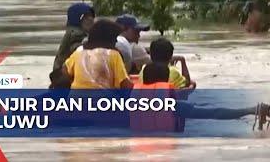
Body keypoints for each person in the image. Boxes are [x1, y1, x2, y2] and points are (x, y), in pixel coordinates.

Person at [142, 62, 270, 131]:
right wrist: (251, 110)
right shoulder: (174, 106)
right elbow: (215, 113)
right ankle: (254, 109)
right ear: (166, 82)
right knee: (204, 109)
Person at [62, 19, 133, 89]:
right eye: (114, 37)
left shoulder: (78, 53)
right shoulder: (113, 55)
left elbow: (64, 71)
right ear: (108, 38)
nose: (116, 40)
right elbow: (125, 84)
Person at [49, 3, 95, 88]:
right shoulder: (75, 33)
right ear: (77, 19)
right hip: (64, 80)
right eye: (85, 16)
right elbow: (77, 49)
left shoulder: (79, 32)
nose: (90, 19)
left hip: (61, 77)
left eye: (91, 16)